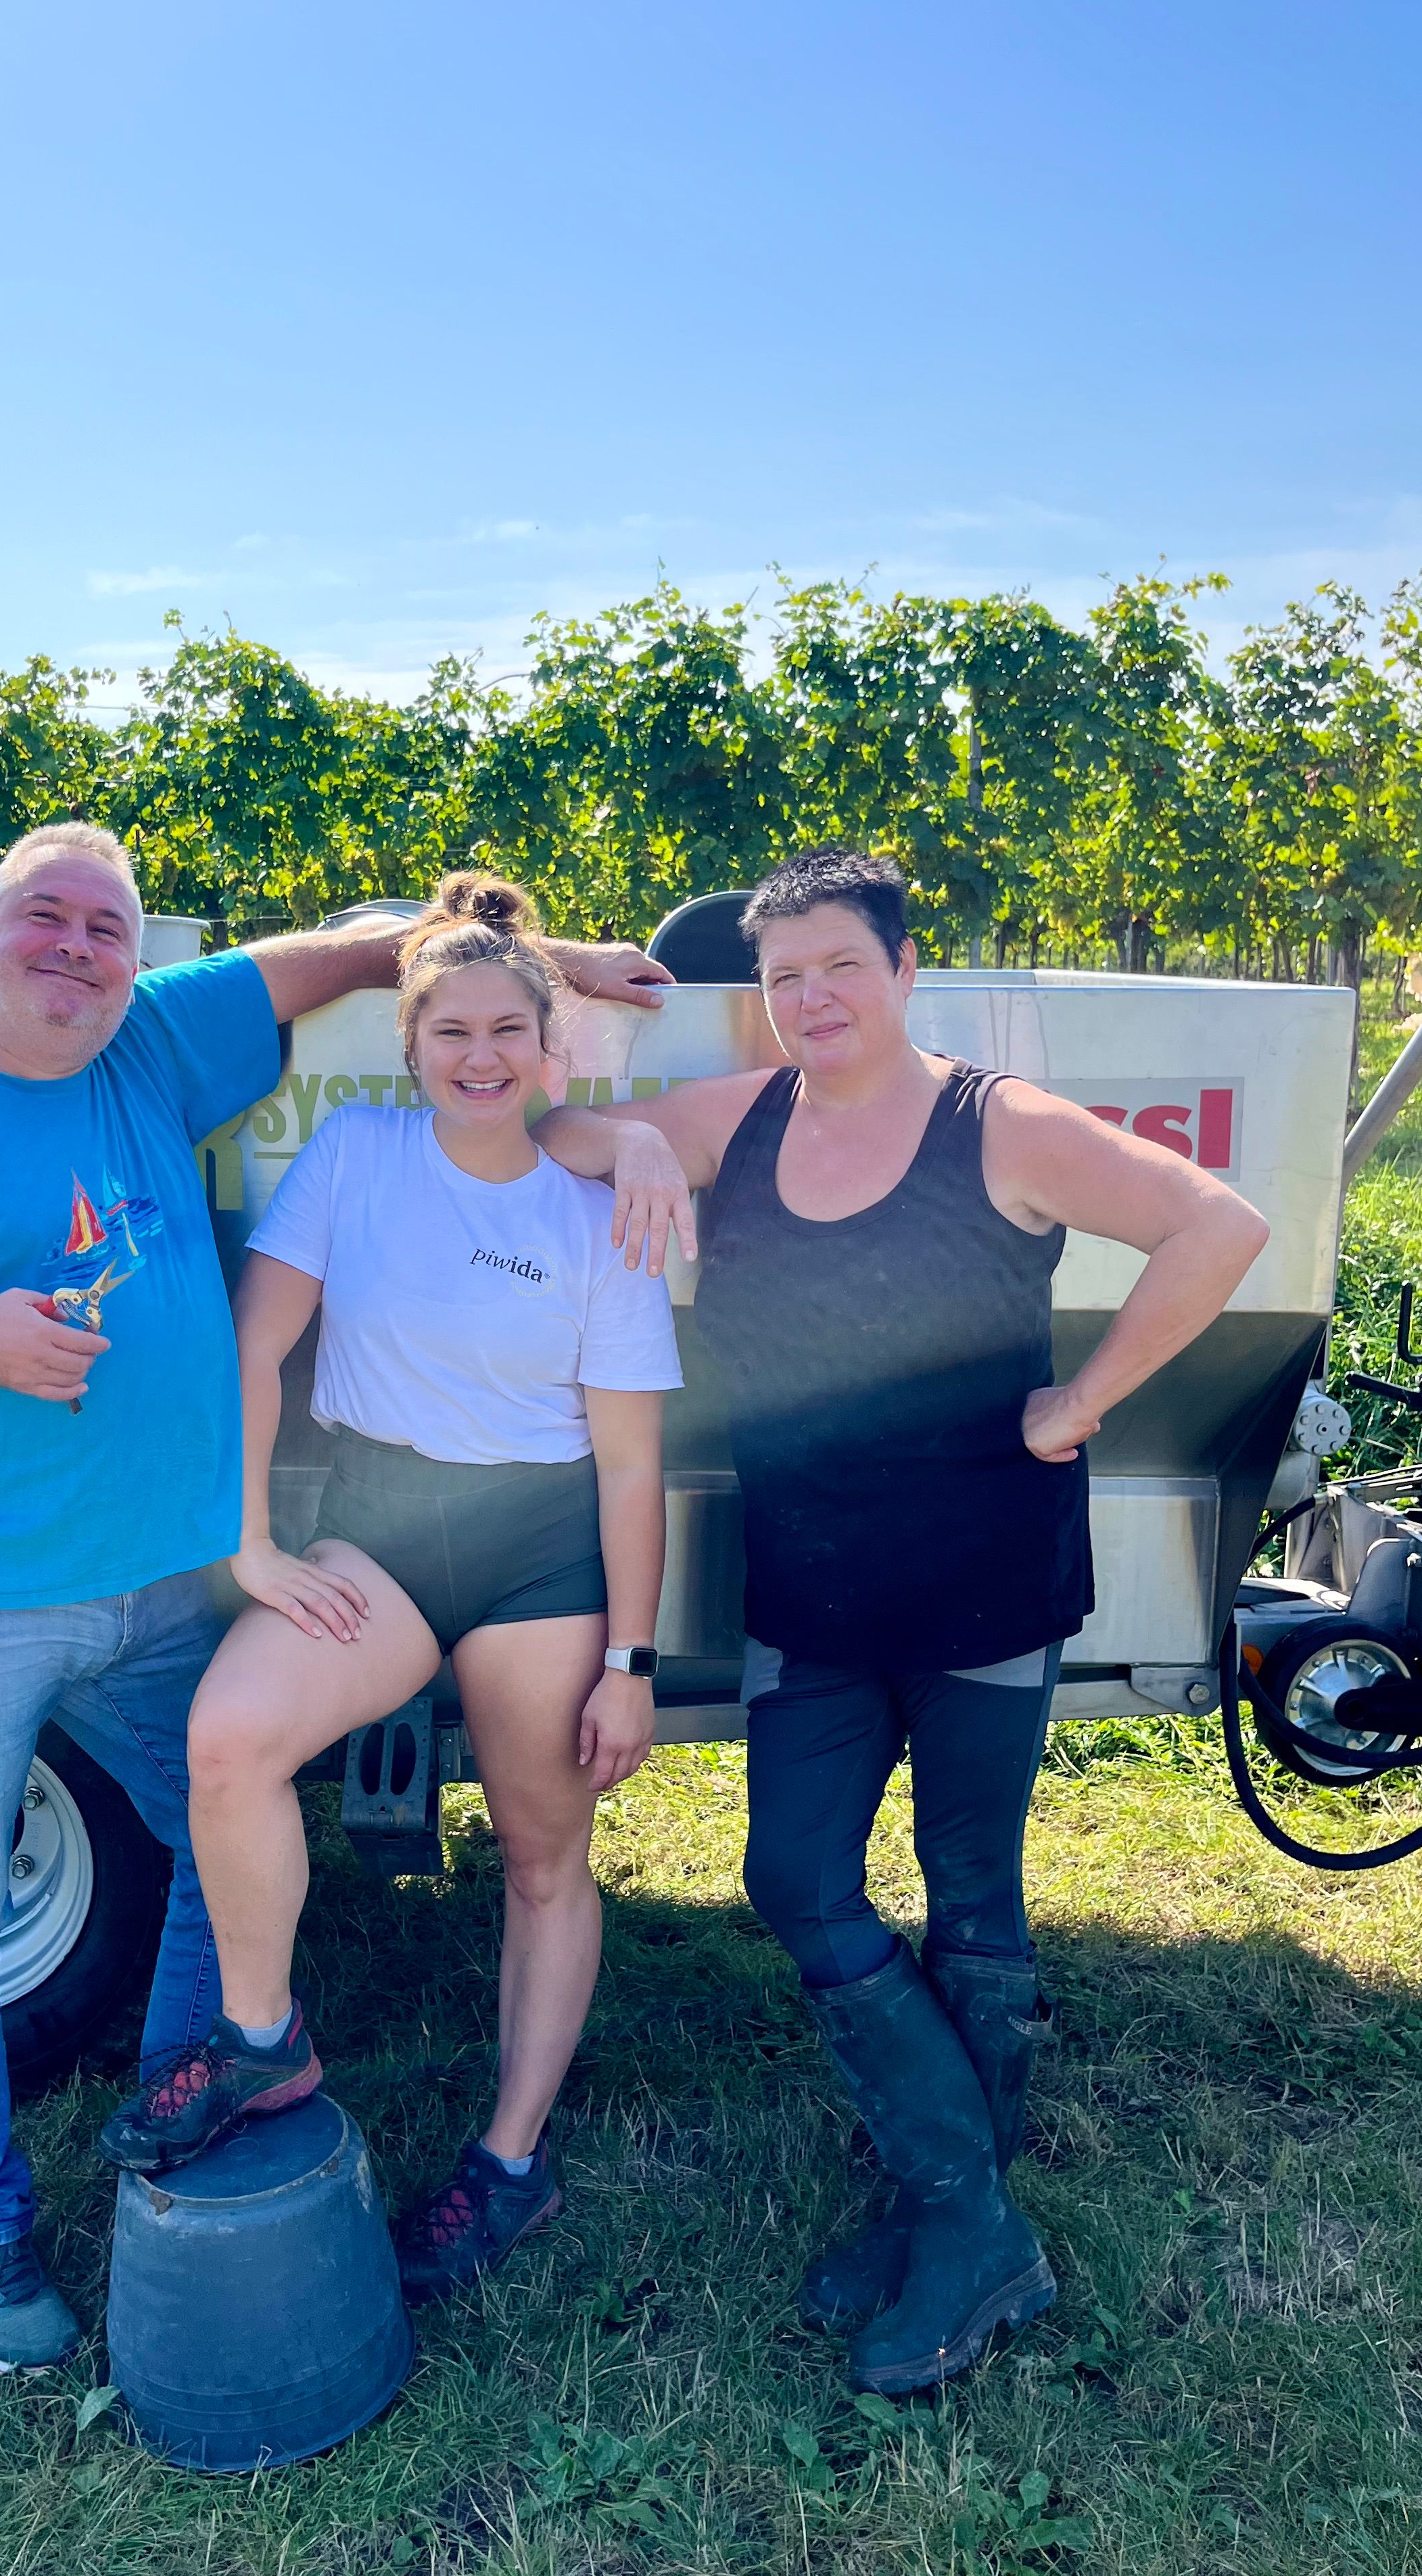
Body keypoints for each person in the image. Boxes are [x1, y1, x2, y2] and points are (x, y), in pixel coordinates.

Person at [0, 824, 670, 2373]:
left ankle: (210, 2081)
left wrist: (552, 971)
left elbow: (372, 948)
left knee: (215, 1830)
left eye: (107, 927)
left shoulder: (150, 1047)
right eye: (44, 917)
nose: (76, 948)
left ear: (137, 957)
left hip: (158, 1592)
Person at [535, 848, 1269, 2393]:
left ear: (905, 970)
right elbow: (555, 1135)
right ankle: (970, 2212)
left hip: (984, 1590)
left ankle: (954, 2223)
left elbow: (1218, 1226)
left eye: (841, 968)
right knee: (795, 1876)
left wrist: (1081, 1400)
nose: (813, 999)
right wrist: (636, 1138)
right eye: (785, 977)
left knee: (971, 1893)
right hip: (813, 1594)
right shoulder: (747, 1117)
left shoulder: (999, 1126)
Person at [95, 874, 684, 2301]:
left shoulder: (599, 1209)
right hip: (382, 1530)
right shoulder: (355, 1152)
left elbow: (628, 1468)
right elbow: (254, 1347)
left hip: (542, 1552)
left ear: (548, 1049)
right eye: (450, 1032)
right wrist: (250, 1546)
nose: (479, 1057)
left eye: (507, 1031)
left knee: (541, 1858)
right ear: (409, 1045)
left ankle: (510, 2163)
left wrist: (632, 1663)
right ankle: (260, 2040)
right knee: (230, 1739)